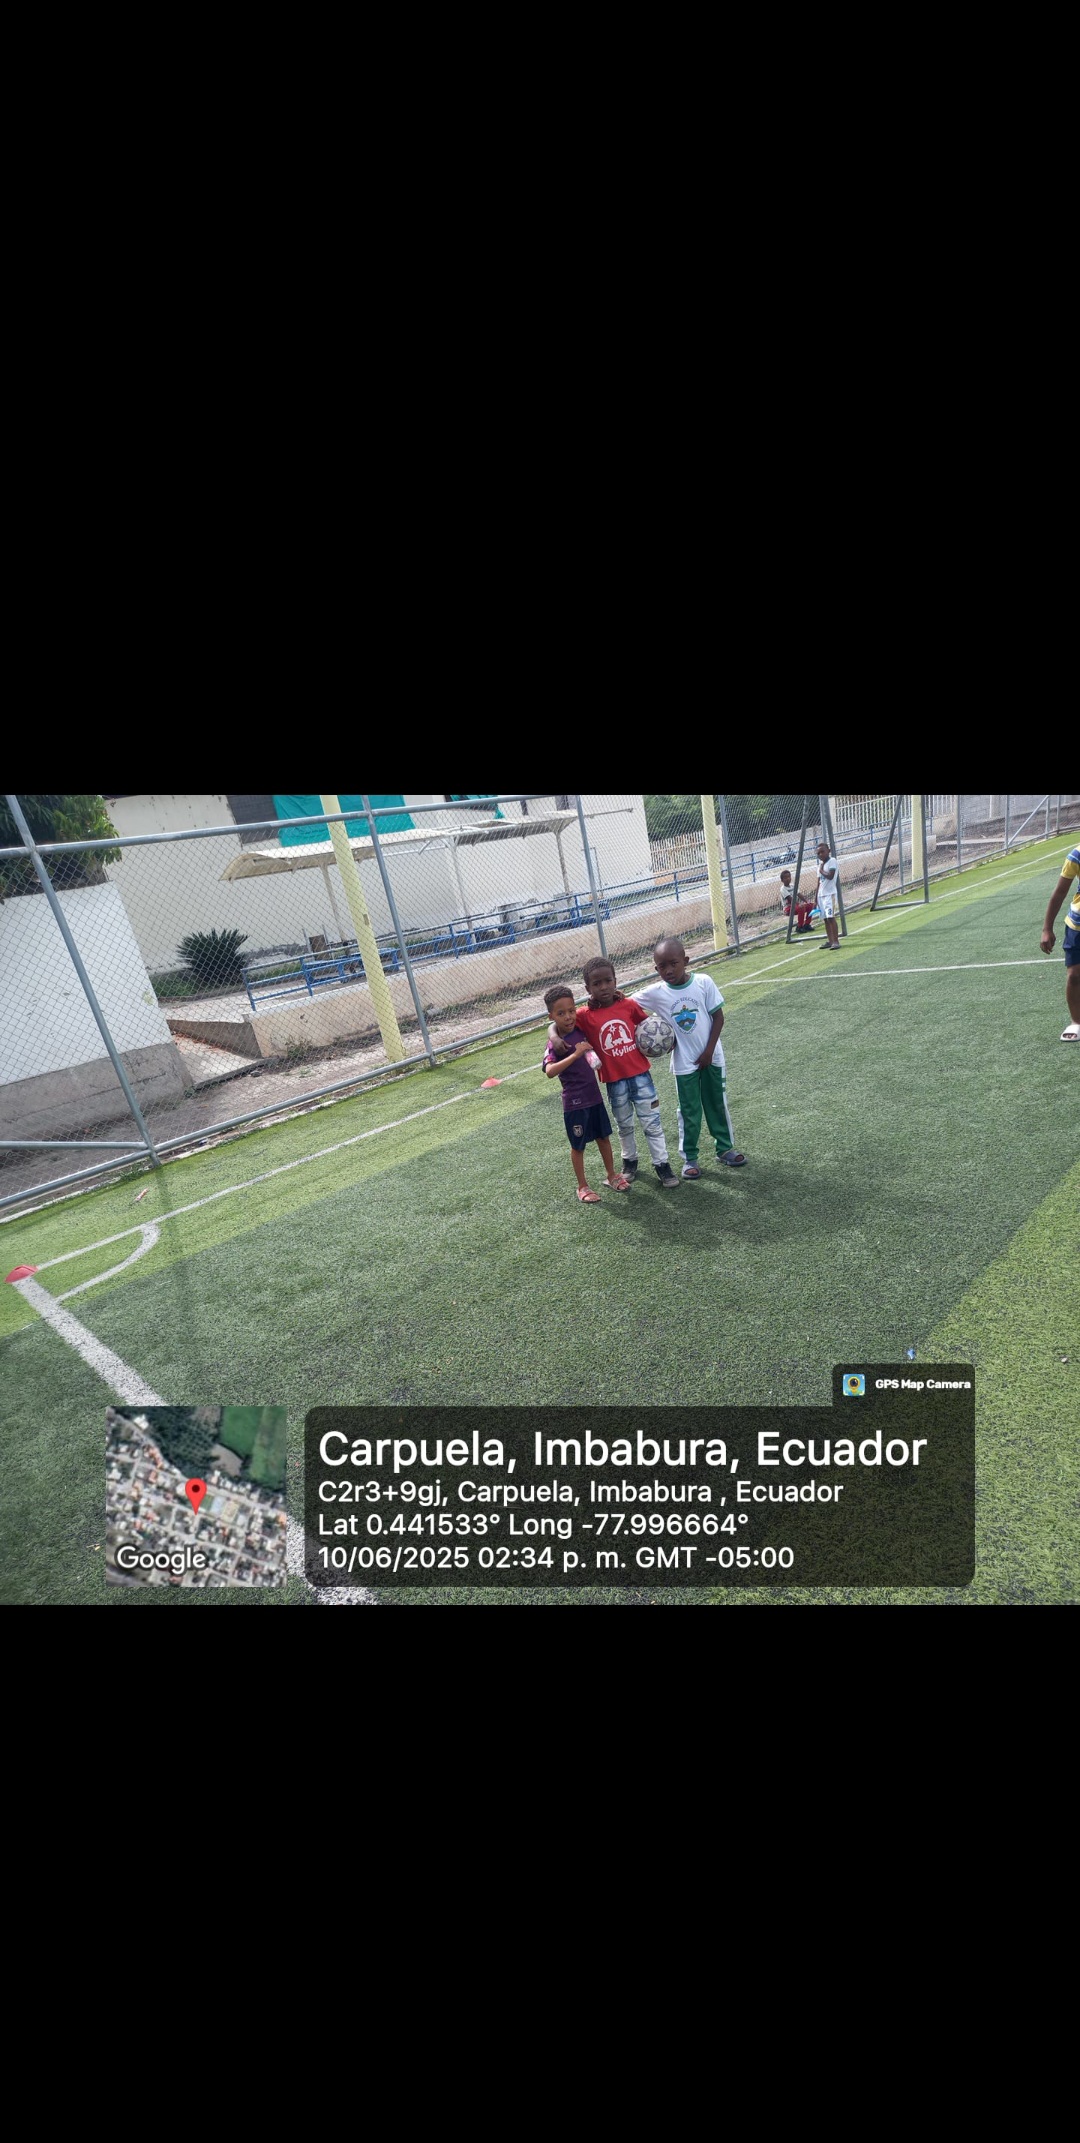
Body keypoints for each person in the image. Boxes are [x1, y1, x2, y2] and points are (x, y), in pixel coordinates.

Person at [636, 937, 747, 1175]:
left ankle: (724, 1149)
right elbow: (625, 1004)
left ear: (686, 961)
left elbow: (718, 1018)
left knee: (716, 1104)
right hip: (684, 1064)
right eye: (662, 967)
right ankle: (690, 1159)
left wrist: (708, 1051)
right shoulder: (656, 993)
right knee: (689, 1111)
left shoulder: (703, 982)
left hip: (712, 1058)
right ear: (656, 969)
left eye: (673, 964)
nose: (668, 970)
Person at [570, 956, 680, 1187]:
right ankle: (629, 1162)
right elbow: (559, 1026)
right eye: (597, 983)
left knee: (652, 1122)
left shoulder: (628, 1005)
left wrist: (665, 1041)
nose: (604, 987)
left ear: (615, 981)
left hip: (641, 1077)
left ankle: (662, 1165)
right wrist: (553, 1037)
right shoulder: (584, 1016)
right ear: (588, 988)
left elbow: (650, 1029)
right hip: (614, 1082)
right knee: (624, 1125)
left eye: (608, 981)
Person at [542, 984, 631, 1202]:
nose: (568, 1017)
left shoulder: (581, 1030)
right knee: (578, 1145)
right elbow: (550, 1071)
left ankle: (612, 1175)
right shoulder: (555, 1044)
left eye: (571, 1010)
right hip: (574, 1104)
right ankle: (582, 1187)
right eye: (561, 1013)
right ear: (551, 1016)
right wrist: (575, 1054)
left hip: (594, 1097)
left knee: (603, 1137)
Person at [1040, 843, 1080, 1040]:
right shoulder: (1077, 855)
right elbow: (1059, 892)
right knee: (1074, 976)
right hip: (1077, 925)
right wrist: (1047, 928)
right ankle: (1076, 1022)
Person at [815, 841, 841, 948]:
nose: (820, 854)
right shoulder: (819, 866)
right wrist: (815, 899)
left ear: (828, 851)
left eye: (822, 852)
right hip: (821, 895)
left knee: (831, 917)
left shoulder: (832, 861)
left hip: (830, 894)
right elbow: (819, 883)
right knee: (825, 919)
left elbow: (830, 876)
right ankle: (830, 941)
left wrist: (821, 870)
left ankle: (836, 941)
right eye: (818, 853)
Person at [780, 869, 814, 934]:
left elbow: (799, 894)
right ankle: (799, 927)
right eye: (785, 878)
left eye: (789, 877)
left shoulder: (793, 886)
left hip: (795, 906)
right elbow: (790, 899)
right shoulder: (783, 889)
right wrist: (799, 904)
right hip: (788, 908)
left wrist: (807, 901)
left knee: (811, 905)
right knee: (801, 907)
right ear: (782, 880)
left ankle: (807, 924)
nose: (787, 879)